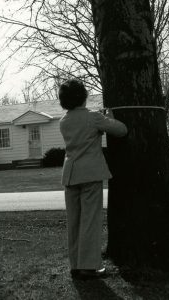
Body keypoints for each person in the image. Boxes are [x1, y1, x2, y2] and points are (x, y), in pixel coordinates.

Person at [58, 79, 128, 280]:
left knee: (74, 221)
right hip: (90, 174)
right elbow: (122, 130)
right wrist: (110, 117)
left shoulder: (64, 120)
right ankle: (88, 267)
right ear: (83, 97)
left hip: (70, 174)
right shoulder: (93, 117)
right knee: (90, 220)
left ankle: (75, 265)